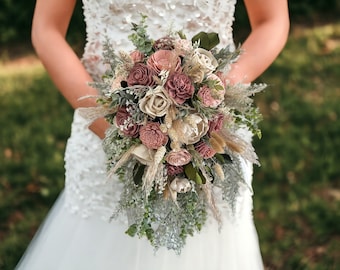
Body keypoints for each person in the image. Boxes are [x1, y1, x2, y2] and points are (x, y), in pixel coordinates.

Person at [16, 0, 289, 269]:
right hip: (104, 136)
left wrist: (212, 95)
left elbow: (272, 19)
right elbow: (47, 29)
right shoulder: (108, 129)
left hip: (210, 134)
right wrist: (109, 124)